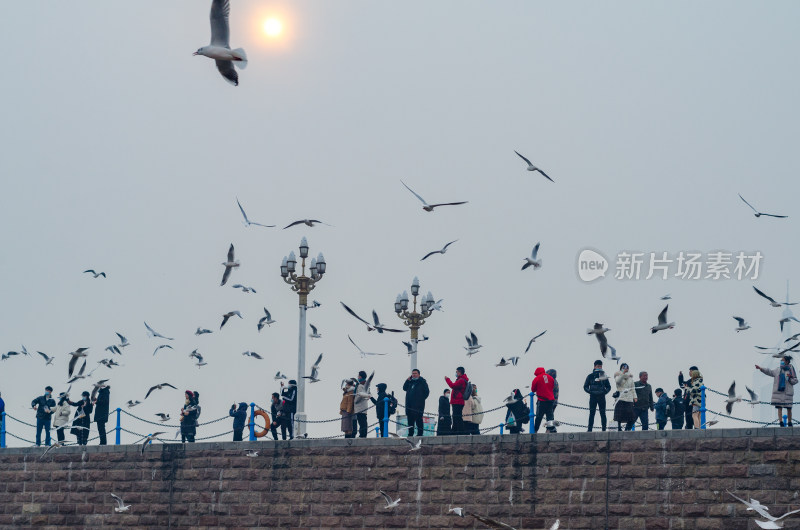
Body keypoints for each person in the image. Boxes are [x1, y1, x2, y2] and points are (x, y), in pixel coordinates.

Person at [756, 356, 798, 427]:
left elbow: (795, 381)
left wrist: (789, 378)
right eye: (781, 360)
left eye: (782, 360)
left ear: (787, 361)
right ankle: (781, 422)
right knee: (779, 407)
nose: (781, 361)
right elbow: (770, 372)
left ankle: (790, 422)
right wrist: (761, 369)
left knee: (789, 408)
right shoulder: (778, 370)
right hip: (778, 392)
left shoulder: (791, 370)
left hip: (787, 393)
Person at [584, 360, 612, 432]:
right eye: (598, 366)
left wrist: (604, 392)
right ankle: (589, 429)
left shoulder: (603, 376)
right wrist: (590, 392)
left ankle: (604, 430)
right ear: (594, 366)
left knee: (603, 413)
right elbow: (585, 386)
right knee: (592, 414)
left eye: (600, 366)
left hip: (602, 397)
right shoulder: (590, 376)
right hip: (593, 397)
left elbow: (609, 386)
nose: (599, 367)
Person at [402, 369, 430, 437]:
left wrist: (421, 399)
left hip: (418, 405)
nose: (413, 375)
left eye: (415, 373)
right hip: (409, 405)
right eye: (413, 373)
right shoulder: (410, 382)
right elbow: (404, 388)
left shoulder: (422, 382)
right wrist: (407, 380)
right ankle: (410, 433)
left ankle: (420, 434)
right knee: (410, 421)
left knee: (419, 420)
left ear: (418, 374)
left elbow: (427, 392)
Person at [445, 367, 469, 435]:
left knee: (457, 417)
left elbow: (452, 386)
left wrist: (447, 379)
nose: (456, 373)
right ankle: (454, 431)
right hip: (458, 401)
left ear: (459, 372)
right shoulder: (462, 379)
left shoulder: (461, 380)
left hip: (457, 401)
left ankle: (460, 431)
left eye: (457, 372)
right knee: (456, 417)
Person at [531, 367, 556, 433]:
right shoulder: (551, 378)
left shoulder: (537, 378)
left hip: (542, 400)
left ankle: (535, 431)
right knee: (550, 416)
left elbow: (533, 389)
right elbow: (552, 387)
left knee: (539, 417)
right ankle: (549, 430)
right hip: (550, 400)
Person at [613, 363, 637, 431]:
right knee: (618, 417)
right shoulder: (617, 375)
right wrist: (623, 374)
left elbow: (633, 388)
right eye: (623, 367)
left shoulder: (630, 378)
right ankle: (619, 429)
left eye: (626, 367)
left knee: (632, 417)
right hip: (620, 398)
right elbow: (618, 382)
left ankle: (627, 429)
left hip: (629, 399)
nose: (625, 368)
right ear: (621, 368)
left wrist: (635, 397)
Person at [353, 371, 370, 438]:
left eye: (358, 376)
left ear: (360, 376)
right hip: (364, 406)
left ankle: (362, 435)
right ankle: (364, 434)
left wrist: (355, 401)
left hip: (360, 407)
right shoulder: (366, 385)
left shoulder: (360, 386)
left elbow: (359, 395)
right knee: (364, 421)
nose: (358, 377)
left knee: (361, 422)